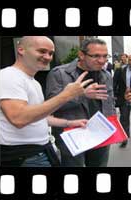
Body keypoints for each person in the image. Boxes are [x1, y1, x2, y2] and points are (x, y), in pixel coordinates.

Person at [0, 36, 96, 167]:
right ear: (21, 49)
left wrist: (69, 122)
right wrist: (66, 95)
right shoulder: (9, 76)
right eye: (42, 51)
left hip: (41, 152)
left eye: (51, 53)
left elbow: (39, 117)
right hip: (24, 155)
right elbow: (19, 118)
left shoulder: (33, 82)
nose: (47, 57)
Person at [45, 38, 117, 167]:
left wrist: (113, 127)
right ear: (81, 55)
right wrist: (81, 95)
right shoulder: (59, 74)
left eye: (105, 56)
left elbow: (109, 103)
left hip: (100, 133)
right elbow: (50, 107)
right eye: (95, 56)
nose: (101, 61)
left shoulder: (106, 75)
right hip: (72, 135)